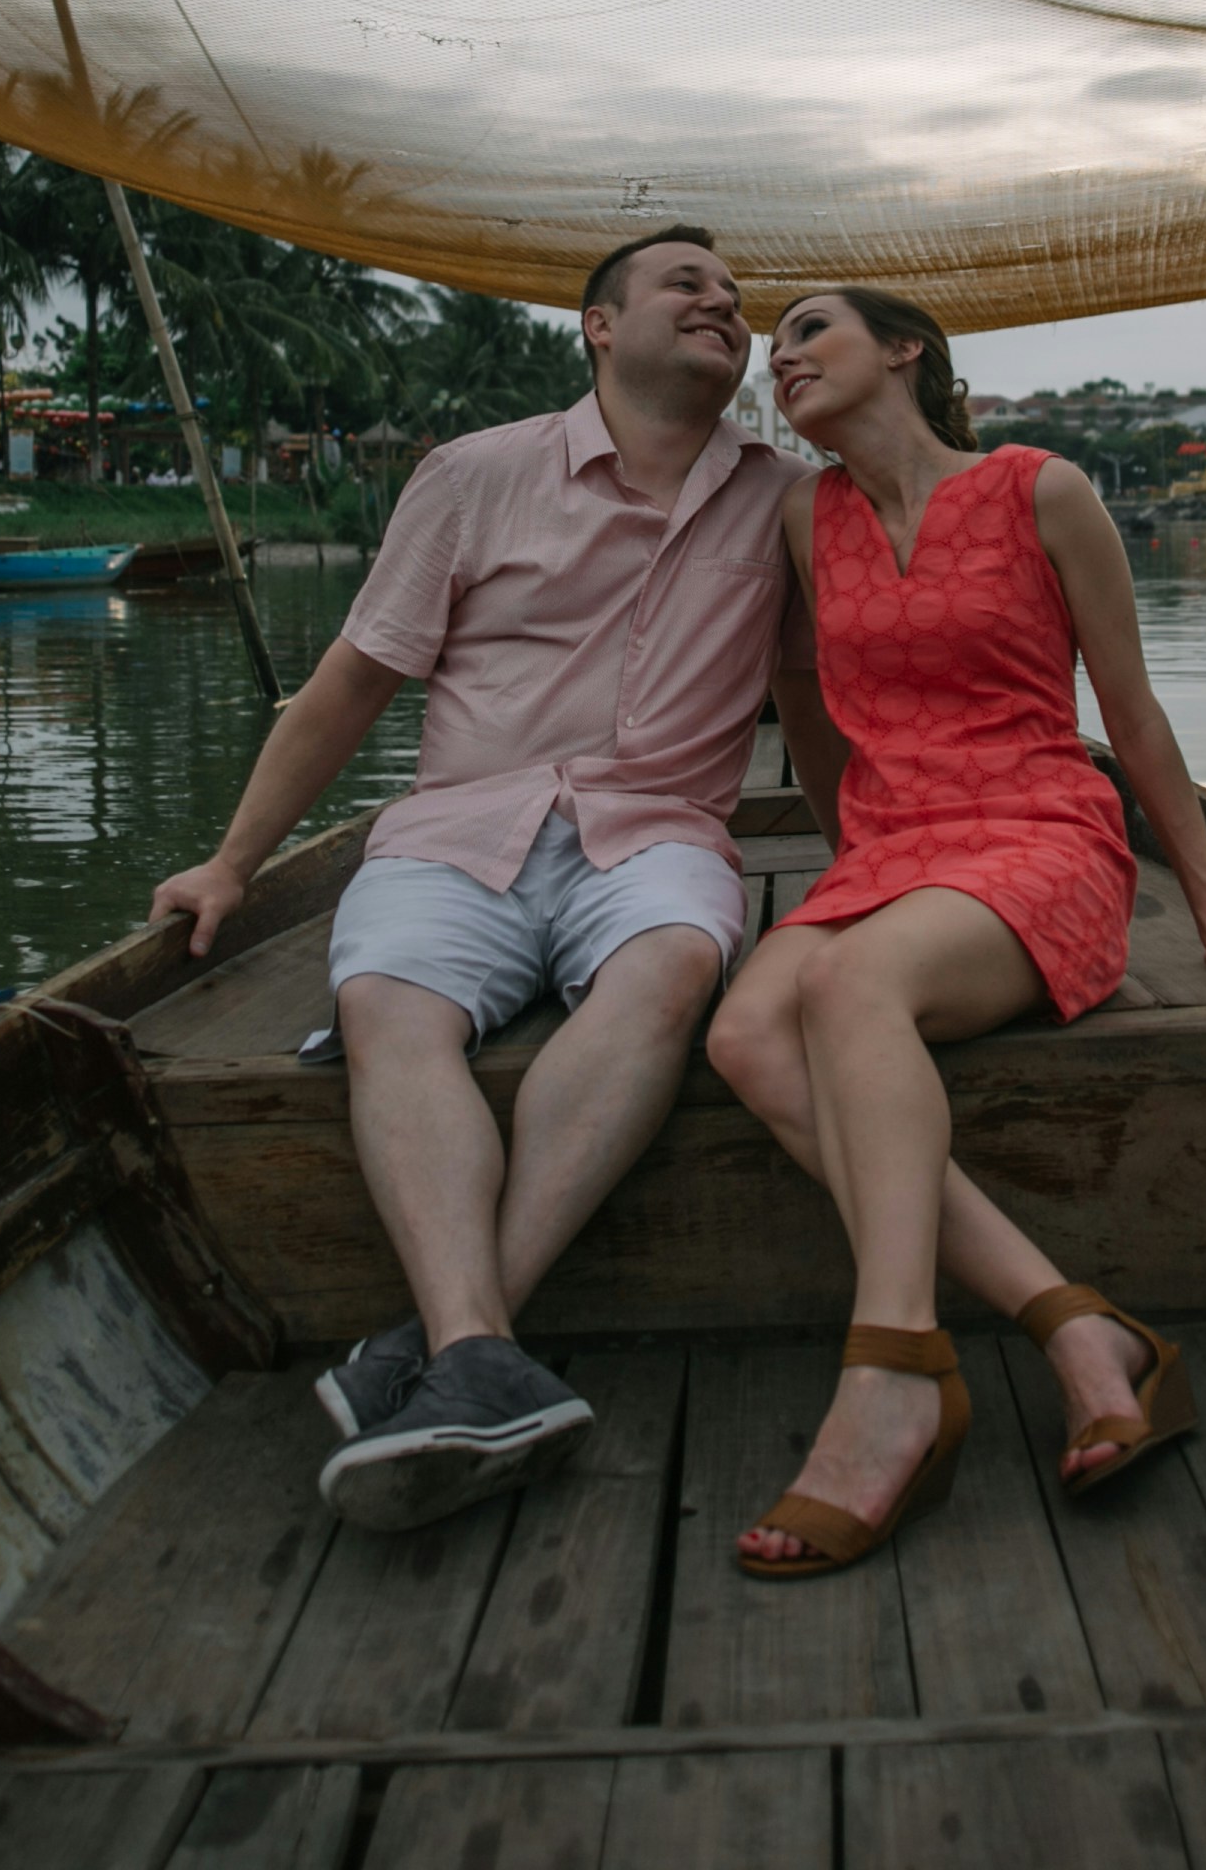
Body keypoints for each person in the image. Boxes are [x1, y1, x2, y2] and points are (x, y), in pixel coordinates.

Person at [146, 228, 794, 1530]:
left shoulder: (785, 499)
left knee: (670, 967)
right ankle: (476, 1349)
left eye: (735, 297)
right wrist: (229, 864)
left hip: (657, 833)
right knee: (387, 1004)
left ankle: (449, 1347)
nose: (723, 304)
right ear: (599, 325)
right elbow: (351, 684)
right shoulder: (475, 475)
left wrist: (880, 851)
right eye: (686, 285)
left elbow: (830, 701)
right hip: (459, 829)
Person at [702, 288, 1206, 1578]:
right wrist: (851, 853)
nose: (783, 357)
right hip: (893, 855)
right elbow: (804, 706)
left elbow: (1134, 712)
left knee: (848, 991)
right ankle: (1075, 1326)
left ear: (905, 348)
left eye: (811, 330)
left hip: (1040, 831)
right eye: (774, 350)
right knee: (745, 1035)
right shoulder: (803, 515)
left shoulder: (1040, 488)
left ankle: (893, 1370)